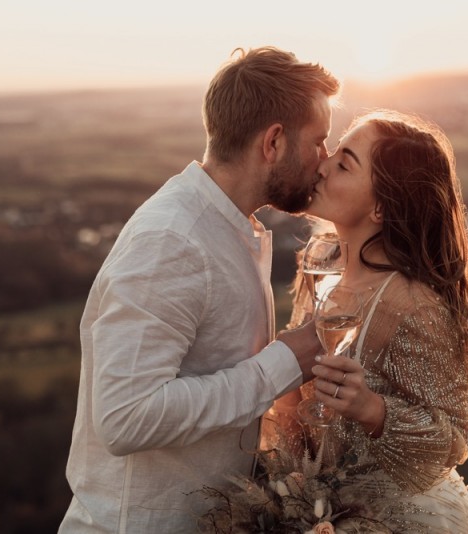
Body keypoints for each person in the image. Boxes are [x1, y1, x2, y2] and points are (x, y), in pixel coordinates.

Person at [59, 46, 340, 533]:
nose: (325, 160)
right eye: (319, 141)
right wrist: (281, 365)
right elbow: (126, 418)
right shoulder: (173, 240)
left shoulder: (227, 226)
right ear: (273, 142)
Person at [269, 109, 468, 532]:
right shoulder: (321, 265)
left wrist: (372, 409)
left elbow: (451, 443)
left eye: (345, 163)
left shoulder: (414, 306)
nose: (324, 163)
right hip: (324, 514)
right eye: (333, 151)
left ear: (381, 208)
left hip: (406, 522)